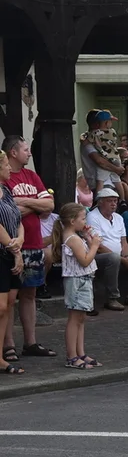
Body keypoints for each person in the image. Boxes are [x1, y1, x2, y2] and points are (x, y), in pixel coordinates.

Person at [2, 135, 55, 361]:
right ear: (13, 152)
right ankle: (8, 344)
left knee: (30, 293)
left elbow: (49, 205)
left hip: (33, 242)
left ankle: (30, 342)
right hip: (11, 245)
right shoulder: (4, 179)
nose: (29, 153)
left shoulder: (31, 176)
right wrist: (33, 204)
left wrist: (24, 203)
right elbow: (10, 211)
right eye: (25, 149)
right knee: (10, 296)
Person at [53, 203, 102, 369]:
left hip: (83, 279)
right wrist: (94, 245)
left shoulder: (76, 237)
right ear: (73, 221)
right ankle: (71, 356)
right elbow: (85, 260)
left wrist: (88, 239)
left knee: (81, 318)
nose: (85, 221)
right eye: (82, 218)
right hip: (77, 280)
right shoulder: (72, 239)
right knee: (74, 319)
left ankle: (80, 353)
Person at [87, 187, 128, 310]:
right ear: (100, 202)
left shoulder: (118, 217)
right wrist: (123, 259)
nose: (113, 204)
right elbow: (98, 247)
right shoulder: (93, 217)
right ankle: (112, 298)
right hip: (98, 257)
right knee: (113, 257)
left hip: (120, 256)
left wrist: (127, 257)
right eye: (109, 201)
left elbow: (124, 242)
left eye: (115, 201)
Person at [0, 150, 25, 375]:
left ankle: (0, 357)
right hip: (2, 252)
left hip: (11, 252)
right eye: (6, 164)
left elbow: (18, 219)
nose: (10, 168)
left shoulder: (6, 190)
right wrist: (13, 248)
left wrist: (19, 243)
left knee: (8, 304)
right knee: (0, 306)